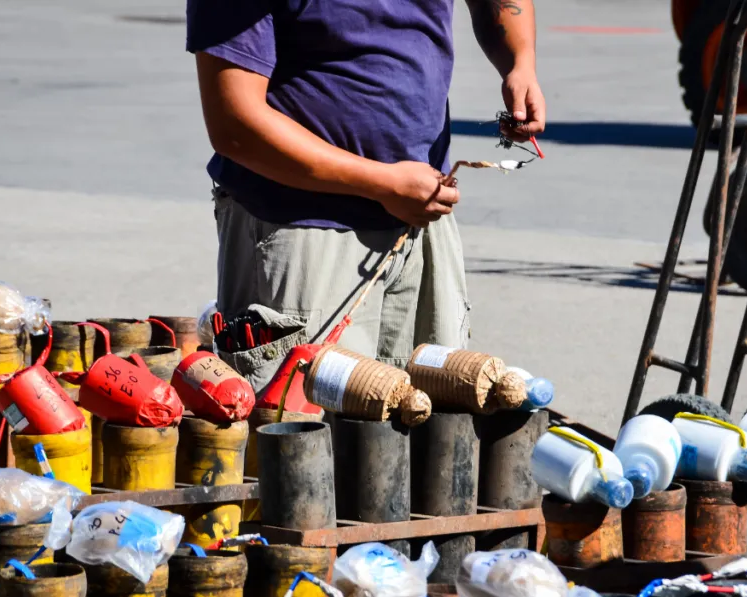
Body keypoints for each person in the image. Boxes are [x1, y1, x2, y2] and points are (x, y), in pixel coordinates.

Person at [186, 0, 545, 390]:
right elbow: (235, 124)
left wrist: (519, 63)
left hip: (420, 220)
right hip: (304, 232)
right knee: (307, 434)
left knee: (433, 425)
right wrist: (382, 183)